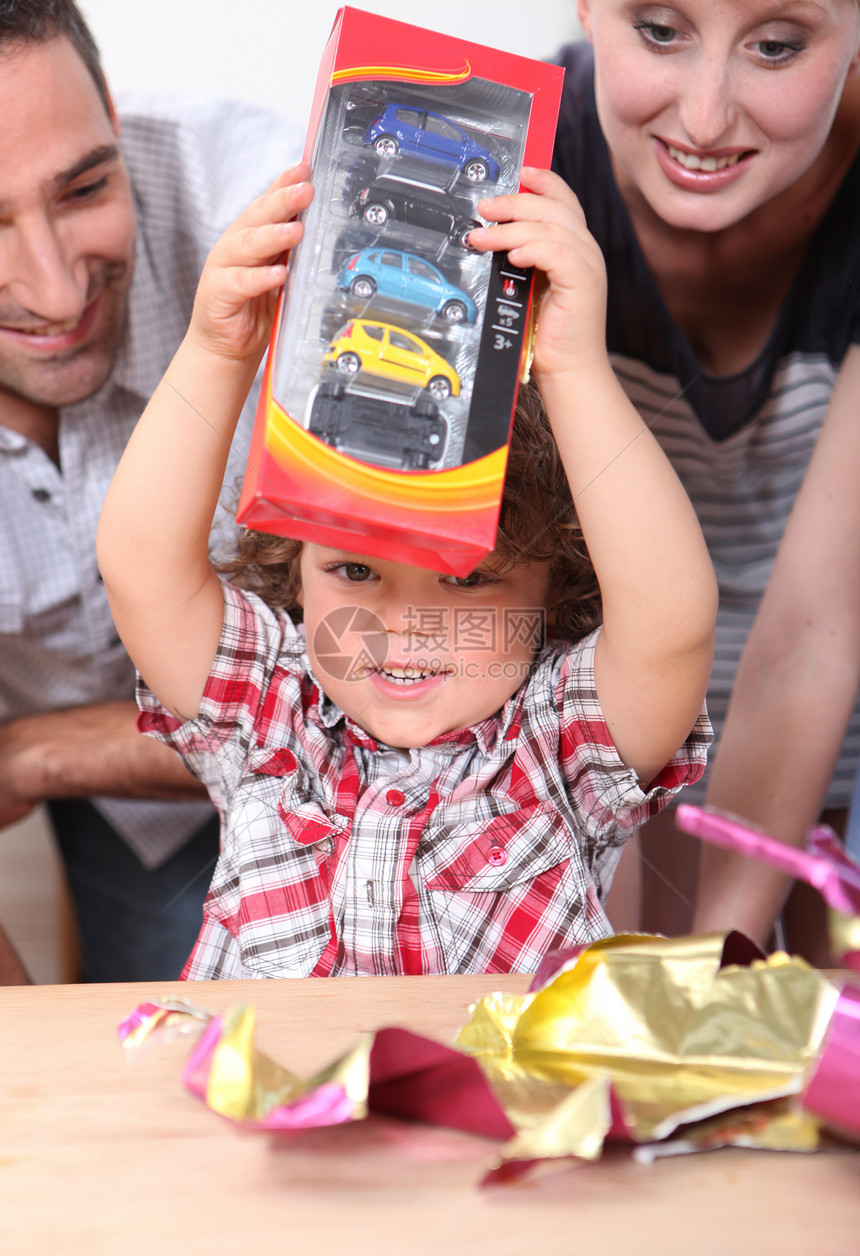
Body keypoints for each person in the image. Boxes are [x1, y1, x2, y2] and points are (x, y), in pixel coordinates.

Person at [96, 162, 716, 979]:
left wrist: (574, 370)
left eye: (465, 579)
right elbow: (141, 565)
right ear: (295, 564)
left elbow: (671, 623)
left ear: (553, 591)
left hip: (499, 1112)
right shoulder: (272, 719)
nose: (403, 626)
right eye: (354, 572)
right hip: (269, 1108)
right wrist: (219, 350)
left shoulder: (558, 745)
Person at [0, 1, 301, 982]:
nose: (54, 291)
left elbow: (402, 673)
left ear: (115, 121)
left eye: (85, 187)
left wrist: (35, 756)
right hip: (137, 828)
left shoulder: (274, 215)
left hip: (348, 765)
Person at [551, 1, 860, 950]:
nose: (706, 118)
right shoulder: (507, 157)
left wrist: (717, 960)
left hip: (820, 752)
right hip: (581, 744)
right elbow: (550, 617)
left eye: (775, 46)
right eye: (658, 31)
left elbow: (809, 634)